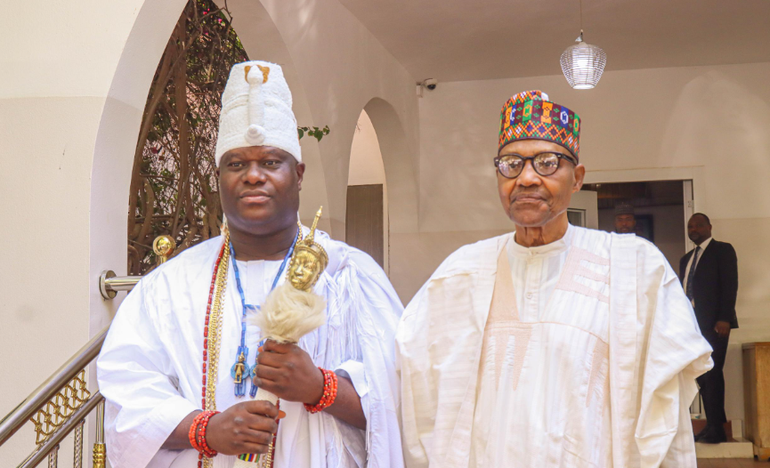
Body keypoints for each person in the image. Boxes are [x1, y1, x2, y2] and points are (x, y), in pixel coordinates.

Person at [97, 61, 404, 468]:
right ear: (220, 177)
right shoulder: (169, 286)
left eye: (271, 162)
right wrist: (205, 430)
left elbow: (406, 403)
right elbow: (126, 400)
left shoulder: (349, 277)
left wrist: (320, 387)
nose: (253, 176)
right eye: (237, 164)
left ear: (298, 175)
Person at [397, 90, 713, 467]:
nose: (526, 178)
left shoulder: (635, 269)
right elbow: (410, 389)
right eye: (510, 164)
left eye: (547, 163)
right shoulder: (459, 274)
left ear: (577, 178)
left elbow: (666, 414)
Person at [680, 213, 739, 444]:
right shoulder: (686, 259)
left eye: (698, 225)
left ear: (709, 227)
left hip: (716, 325)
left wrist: (724, 317)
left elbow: (730, 284)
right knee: (702, 375)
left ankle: (717, 428)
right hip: (692, 326)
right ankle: (711, 424)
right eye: (690, 226)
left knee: (713, 373)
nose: (694, 229)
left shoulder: (722, 250)